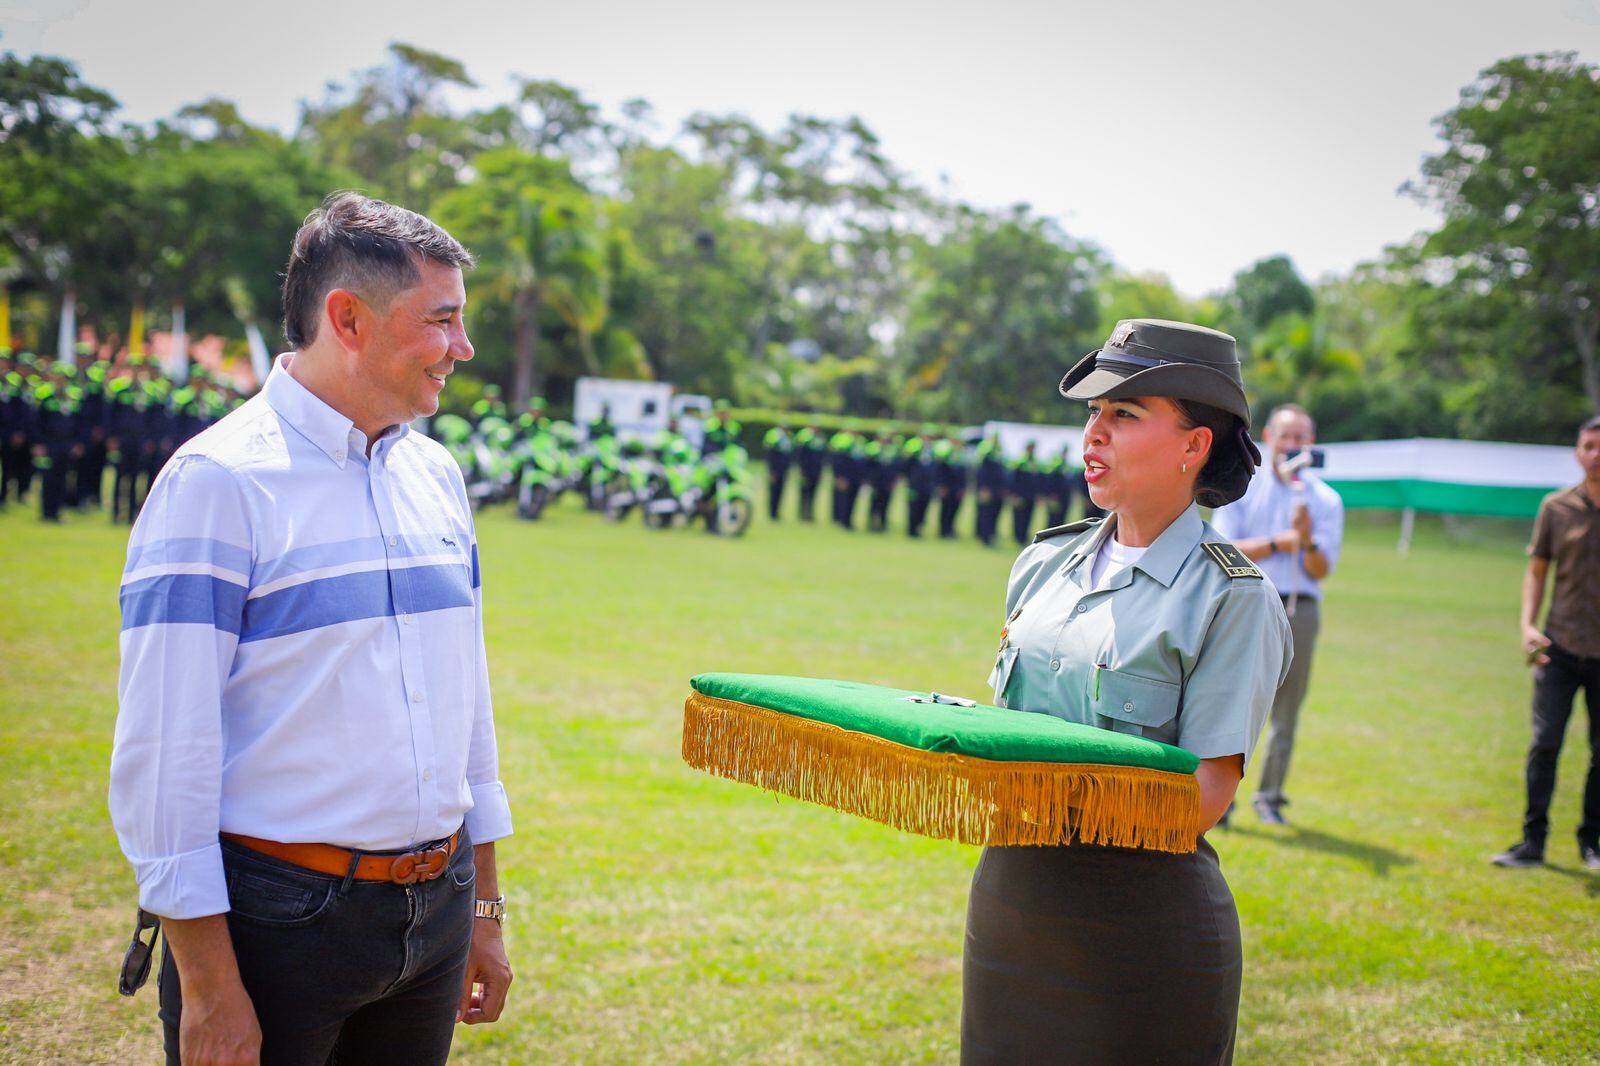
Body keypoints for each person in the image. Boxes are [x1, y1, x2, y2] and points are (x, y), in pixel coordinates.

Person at [109, 193, 515, 1065]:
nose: (463, 349)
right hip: (278, 923)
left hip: (435, 914)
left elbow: (466, 714)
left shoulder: (436, 476)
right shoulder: (216, 483)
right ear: (348, 319)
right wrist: (212, 992)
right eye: (442, 320)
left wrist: (481, 911)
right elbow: (164, 759)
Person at [964, 318, 1291, 1064]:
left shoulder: (1231, 598)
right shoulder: (1041, 564)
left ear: (1193, 446)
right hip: (1012, 908)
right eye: (1092, 413)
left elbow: (1207, 792)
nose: (1094, 434)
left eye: (1125, 414)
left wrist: (1049, 796)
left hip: (1139, 933)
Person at [1210, 403, 1343, 826]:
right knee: (1233, 702)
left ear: (1312, 443)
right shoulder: (1243, 487)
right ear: (1268, 436)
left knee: (1287, 710)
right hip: (1245, 601)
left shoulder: (1324, 499)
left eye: (1301, 437)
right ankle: (1219, 799)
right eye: (1285, 435)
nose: (1292, 444)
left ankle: (1269, 798)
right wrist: (1280, 542)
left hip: (1300, 607)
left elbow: (1322, 569)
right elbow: (1221, 549)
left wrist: (1305, 542)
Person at [1492, 416, 1600, 871]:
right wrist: (1527, 626)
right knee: (1545, 742)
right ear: (1577, 452)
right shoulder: (1556, 508)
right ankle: (1532, 842)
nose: (1596, 454)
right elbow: (1537, 572)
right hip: (1559, 646)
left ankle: (1591, 842)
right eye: (1589, 446)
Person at [763, 424, 793, 519]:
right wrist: (772, 471)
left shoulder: (788, 438)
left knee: (780, 492)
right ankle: (772, 513)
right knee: (774, 492)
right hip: (775, 470)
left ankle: (777, 512)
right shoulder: (773, 436)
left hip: (783, 470)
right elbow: (770, 456)